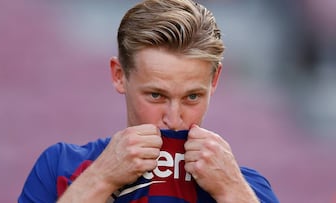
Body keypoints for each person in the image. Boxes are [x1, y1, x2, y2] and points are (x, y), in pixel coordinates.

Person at [19, 0, 279, 202]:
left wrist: (232, 191)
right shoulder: (61, 166)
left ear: (215, 80)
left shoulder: (248, 187)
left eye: (192, 97)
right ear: (119, 75)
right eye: (156, 95)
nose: (174, 119)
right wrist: (101, 178)